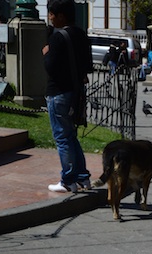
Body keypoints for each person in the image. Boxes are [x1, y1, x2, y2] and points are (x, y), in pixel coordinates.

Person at [43, 0, 93, 193]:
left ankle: (68, 180)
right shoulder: (81, 34)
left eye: (51, 14)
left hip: (58, 93)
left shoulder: (58, 37)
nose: (50, 18)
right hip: (75, 92)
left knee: (63, 138)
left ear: (61, 15)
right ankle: (83, 178)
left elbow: (50, 67)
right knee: (71, 136)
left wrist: (46, 53)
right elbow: (88, 66)